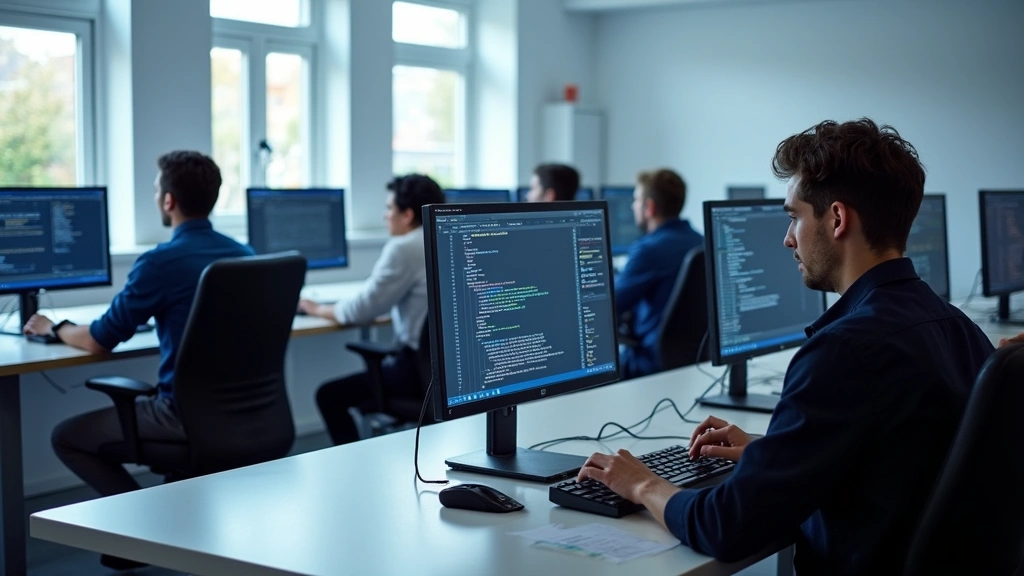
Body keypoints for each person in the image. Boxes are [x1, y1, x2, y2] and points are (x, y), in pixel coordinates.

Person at [576, 119, 997, 574]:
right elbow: (902, 454)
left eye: (794, 216)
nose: (788, 237)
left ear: (837, 219)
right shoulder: (958, 328)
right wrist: (777, 451)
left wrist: (642, 484)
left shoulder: (844, 351)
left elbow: (726, 526)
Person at [24, 150, 253, 570]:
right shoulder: (248, 254)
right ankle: (165, 527)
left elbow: (99, 340)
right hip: (250, 416)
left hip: (183, 417)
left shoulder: (161, 262)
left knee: (66, 436)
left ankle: (140, 531)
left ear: (168, 201)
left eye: (155, 190)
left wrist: (54, 328)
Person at [300, 174, 445, 446]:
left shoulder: (404, 248)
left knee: (328, 395)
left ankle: (350, 463)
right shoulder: (446, 235)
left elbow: (359, 311)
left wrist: (318, 308)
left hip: (417, 373)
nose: (384, 215)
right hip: (448, 372)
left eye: (389, 208)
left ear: (407, 215)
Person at [615, 168, 703, 379]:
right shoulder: (700, 242)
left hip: (647, 362)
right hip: (693, 362)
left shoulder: (648, 250)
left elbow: (609, 305)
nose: (633, 206)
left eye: (636, 200)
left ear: (649, 207)